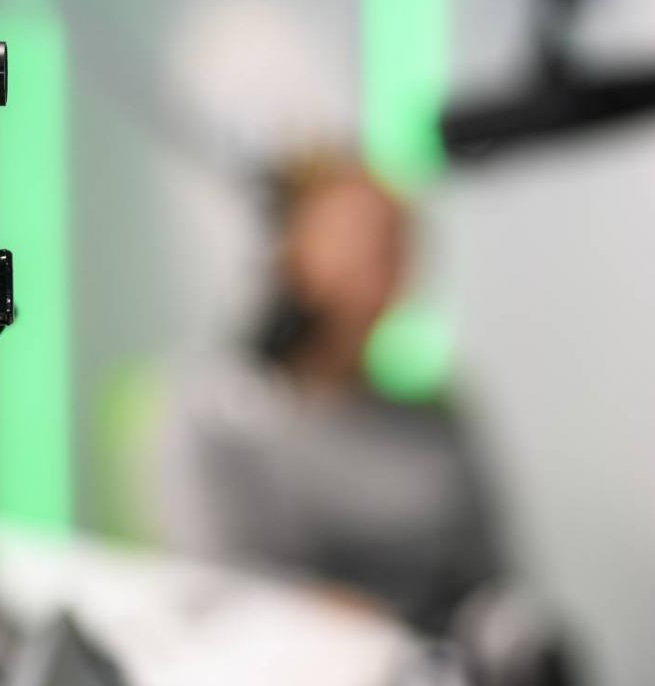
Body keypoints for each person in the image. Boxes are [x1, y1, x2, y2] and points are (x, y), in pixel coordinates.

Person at [157, 153, 498, 634]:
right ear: (293, 253)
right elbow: (223, 586)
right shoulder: (217, 418)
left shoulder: (437, 416)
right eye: (358, 234)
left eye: (397, 237)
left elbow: (493, 579)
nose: (382, 253)